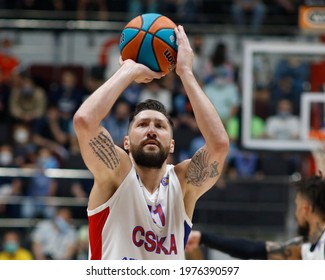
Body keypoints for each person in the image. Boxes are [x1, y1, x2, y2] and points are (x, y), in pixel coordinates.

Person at [73, 25, 229, 260]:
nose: (151, 130)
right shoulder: (117, 174)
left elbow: (219, 144)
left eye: (160, 126)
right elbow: (85, 121)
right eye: (142, 124)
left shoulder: (183, 182)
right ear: (125, 142)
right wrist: (128, 70)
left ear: (172, 144)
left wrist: (185, 72)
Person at [185, 173, 325, 260]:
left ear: (306, 208)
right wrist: (204, 238)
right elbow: (253, 249)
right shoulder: (305, 248)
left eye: (297, 206)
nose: (296, 213)